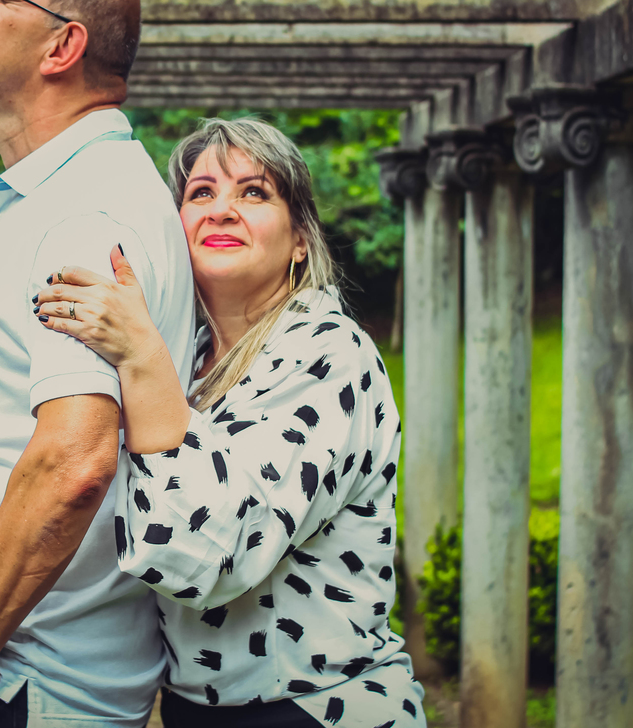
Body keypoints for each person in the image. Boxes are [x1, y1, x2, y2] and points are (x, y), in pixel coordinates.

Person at [33, 117, 426, 728]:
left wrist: (139, 354)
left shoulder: (329, 351)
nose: (221, 209)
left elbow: (215, 557)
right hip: (196, 710)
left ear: (300, 239)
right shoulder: (186, 356)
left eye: (254, 192)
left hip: (317, 710)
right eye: (201, 193)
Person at [0, 0, 196, 728]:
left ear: (62, 47)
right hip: (23, 674)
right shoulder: (62, 191)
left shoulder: (84, 214)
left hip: (21, 681)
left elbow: (75, 462)